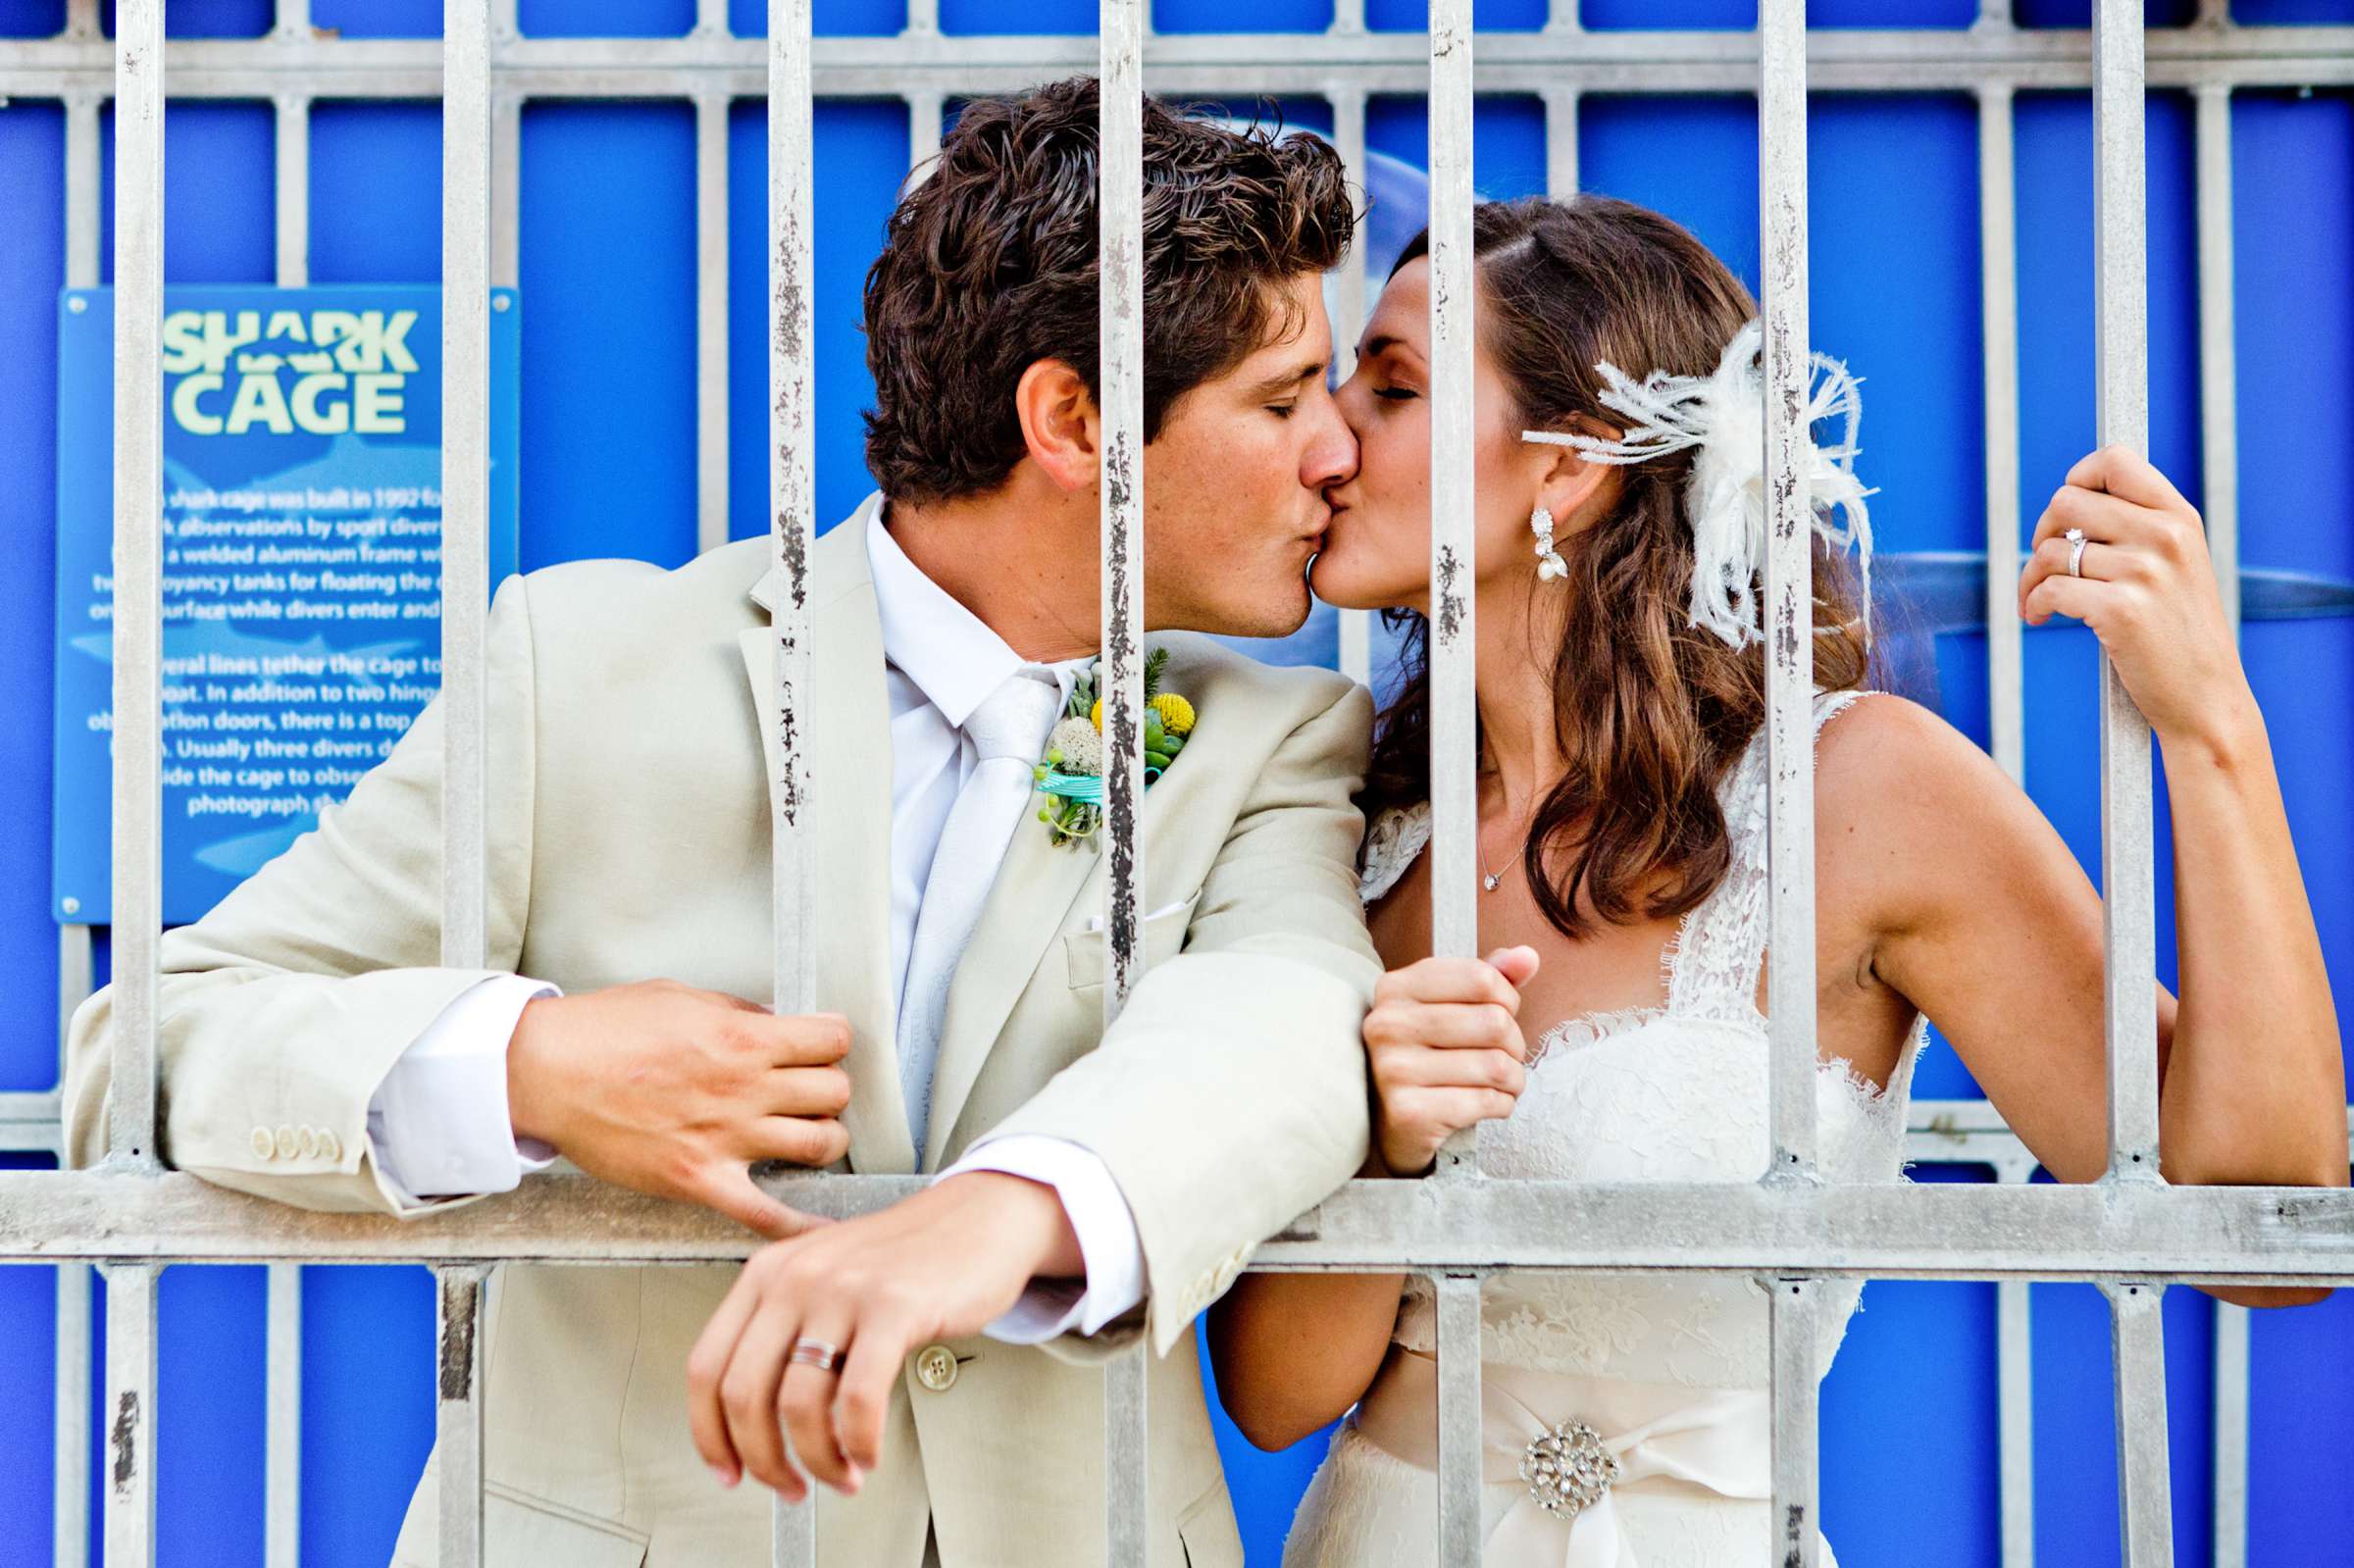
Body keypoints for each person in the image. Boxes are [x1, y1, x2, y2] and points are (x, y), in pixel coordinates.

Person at [66, 78, 1376, 1568]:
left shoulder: (1276, 735)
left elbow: (1288, 1011)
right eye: (1283, 399)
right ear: (1071, 420)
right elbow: (147, 1044)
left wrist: (1005, 1213)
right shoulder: (579, 666)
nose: (1337, 451)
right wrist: (531, 1066)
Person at [1204, 194, 2347, 1566]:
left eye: (1389, 388)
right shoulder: (1352, 830)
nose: (1327, 436)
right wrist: (1391, 1140)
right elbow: (1275, 1402)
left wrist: (2213, 727)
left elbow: (2262, 1231)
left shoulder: (1857, 797)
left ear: (1570, 470)